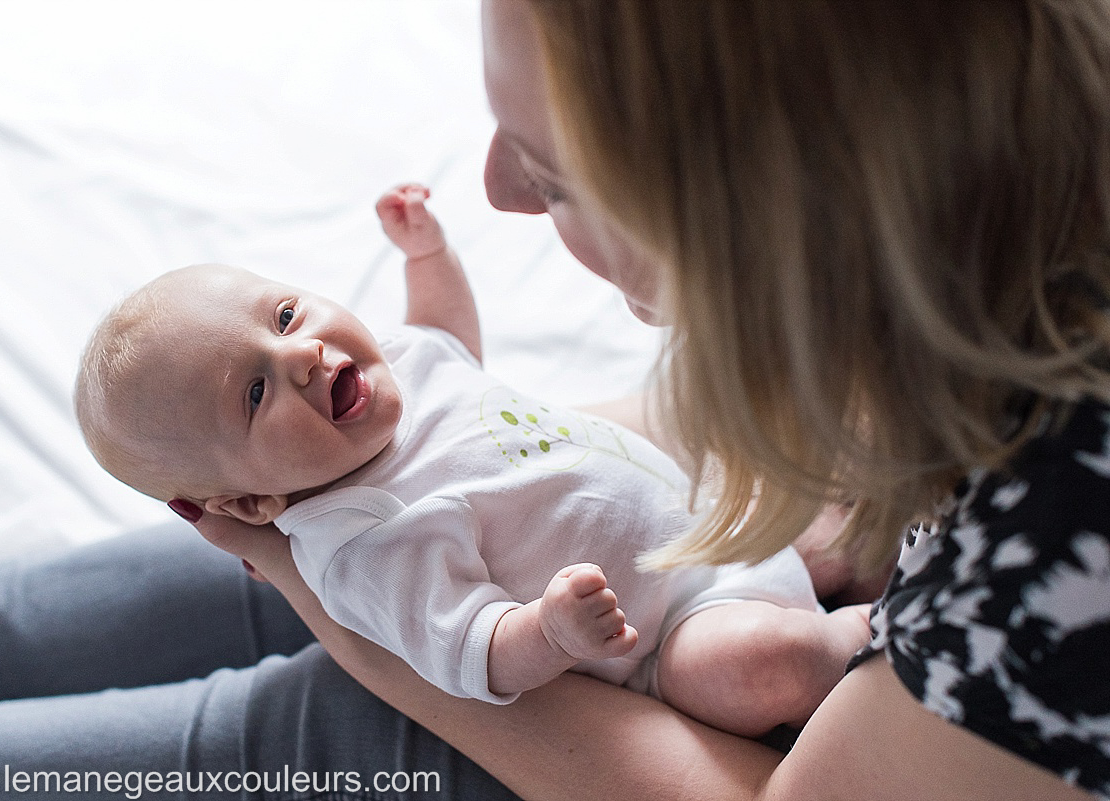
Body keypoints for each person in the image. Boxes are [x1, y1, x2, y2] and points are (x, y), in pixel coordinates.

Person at [190, 1, 1109, 800]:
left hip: (642, 685)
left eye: (554, 178)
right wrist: (406, 481)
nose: (499, 191)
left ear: (766, 218)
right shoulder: (988, 254)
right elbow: (623, 433)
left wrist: (339, 604)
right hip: (647, 591)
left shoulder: (1057, 555)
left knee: (266, 729)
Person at [74, 183, 870, 737]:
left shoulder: (393, 366)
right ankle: (872, 640)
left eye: (284, 314)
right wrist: (548, 632)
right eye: (253, 394)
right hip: (675, 633)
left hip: (708, 532)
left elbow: (448, 341)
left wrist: (428, 255)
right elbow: (469, 651)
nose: (302, 356)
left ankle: (862, 584)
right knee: (769, 662)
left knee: (814, 506)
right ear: (250, 506)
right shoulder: (363, 538)